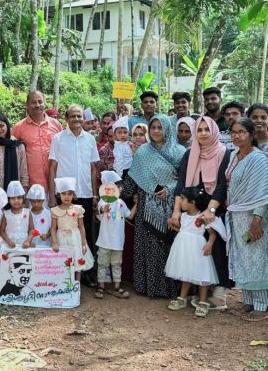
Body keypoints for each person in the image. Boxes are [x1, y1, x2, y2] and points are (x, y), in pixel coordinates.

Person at [169, 116, 233, 310]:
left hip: (215, 206)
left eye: (207, 129)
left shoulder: (225, 153)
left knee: (216, 247)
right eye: (199, 130)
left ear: (213, 131)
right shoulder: (190, 153)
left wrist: (211, 210)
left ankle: (219, 292)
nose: (203, 133)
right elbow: (182, 184)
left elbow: (222, 185)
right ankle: (194, 292)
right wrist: (177, 212)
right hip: (193, 207)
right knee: (194, 250)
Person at [121, 115, 184, 298]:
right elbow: (133, 179)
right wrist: (120, 194)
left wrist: (169, 189)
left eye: (160, 127)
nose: (156, 131)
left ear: (167, 129)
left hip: (171, 207)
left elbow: (183, 180)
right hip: (145, 208)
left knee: (168, 247)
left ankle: (169, 288)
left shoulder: (179, 152)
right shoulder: (143, 152)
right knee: (147, 247)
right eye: (153, 127)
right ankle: (147, 286)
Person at [225, 118, 268, 318]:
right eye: (233, 132)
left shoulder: (258, 158)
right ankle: (249, 300)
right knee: (244, 258)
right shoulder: (234, 155)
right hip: (237, 215)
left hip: (255, 216)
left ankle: (263, 305)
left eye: (241, 132)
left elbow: (264, 192)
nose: (237, 136)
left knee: (258, 258)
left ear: (251, 134)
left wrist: (257, 220)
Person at [49, 105, 100, 284]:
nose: (77, 119)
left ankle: (85, 272)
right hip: (63, 195)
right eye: (73, 116)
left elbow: (94, 168)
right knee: (63, 232)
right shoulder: (58, 139)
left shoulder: (90, 140)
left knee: (83, 232)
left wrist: (95, 194)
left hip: (85, 194)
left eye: (79, 116)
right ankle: (62, 272)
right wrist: (51, 195)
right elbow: (53, 167)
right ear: (66, 118)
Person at [165, 187, 226, 317]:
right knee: (185, 272)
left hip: (198, 249)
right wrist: (173, 225)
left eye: (183, 199)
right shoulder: (184, 216)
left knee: (201, 274)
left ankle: (203, 302)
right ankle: (182, 298)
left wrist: (210, 243)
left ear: (192, 202)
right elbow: (184, 230)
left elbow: (212, 233)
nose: (180, 202)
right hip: (183, 248)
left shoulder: (202, 217)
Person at [94, 171, 135, 300]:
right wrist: (103, 209)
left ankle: (117, 286)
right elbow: (101, 209)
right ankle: (101, 286)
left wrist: (137, 204)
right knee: (102, 263)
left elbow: (130, 216)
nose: (121, 188)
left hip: (118, 242)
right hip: (104, 241)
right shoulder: (103, 201)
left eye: (121, 185)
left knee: (117, 264)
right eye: (118, 185)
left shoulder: (121, 203)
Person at [12, 91, 63, 193]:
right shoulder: (18, 127)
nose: (37, 105)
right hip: (33, 186)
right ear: (27, 105)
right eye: (33, 102)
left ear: (44, 102)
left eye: (40, 102)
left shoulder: (56, 125)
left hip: (57, 184)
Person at [50, 177, 95, 280]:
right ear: (59, 195)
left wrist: (83, 243)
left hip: (75, 238)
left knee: (77, 262)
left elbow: (82, 226)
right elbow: (53, 228)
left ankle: (77, 286)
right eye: (64, 194)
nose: (67, 197)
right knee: (64, 263)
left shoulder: (78, 209)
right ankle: (65, 287)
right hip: (61, 238)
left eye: (69, 194)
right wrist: (54, 242)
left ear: (73, 195)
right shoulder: (55, 210)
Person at [0, 113, 29, 192]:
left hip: (15, 194)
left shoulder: (18, 146)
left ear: (7, 125)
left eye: (1, 126)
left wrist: (24, 190)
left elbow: (23, 172)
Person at [0, 181, 32, 251]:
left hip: (24, 245)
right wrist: (8, 241)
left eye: (19, 198)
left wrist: (28, 241)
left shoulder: (28, 212)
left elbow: (32, 229)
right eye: (13, 198)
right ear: (8, 199)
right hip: (9, 246)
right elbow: (1, 231)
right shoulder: (6, 214)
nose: (16, 200)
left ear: (23, 198)